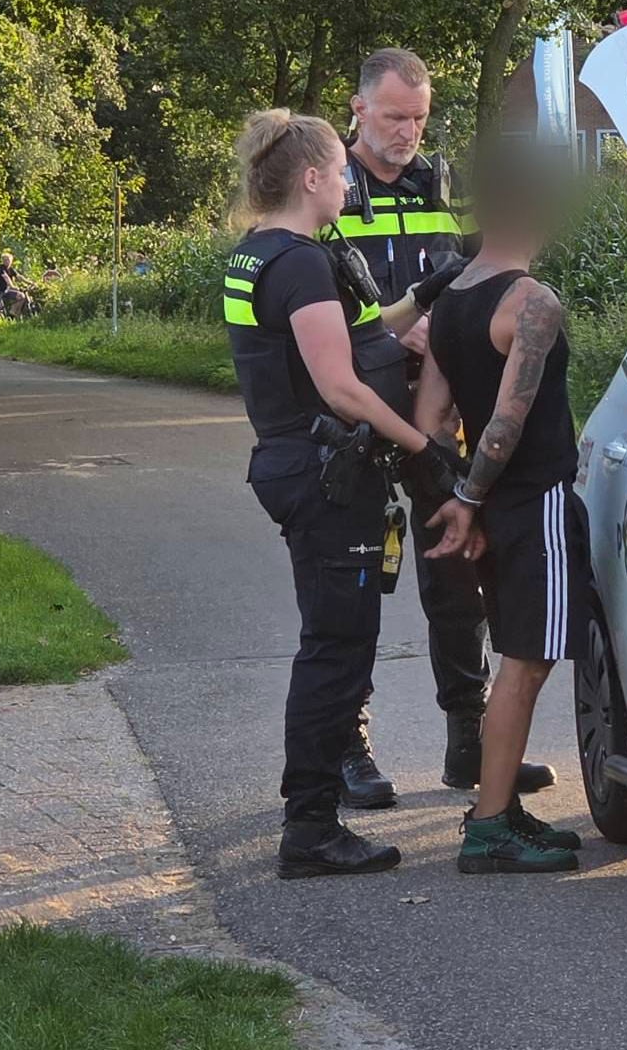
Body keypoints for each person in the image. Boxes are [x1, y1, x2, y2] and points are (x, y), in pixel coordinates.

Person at [224, 107, 465, 877]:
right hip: (326, 473)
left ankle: (313, 817)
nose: (346, 186)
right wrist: (423, 448)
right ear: (310, 179)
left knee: (332, 642)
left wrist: (427, 291)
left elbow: (361, 334)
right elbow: (340, 385)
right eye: (338, 174)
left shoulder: (259, 254)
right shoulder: (299, 263)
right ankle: (311, 827)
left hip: (295, 465)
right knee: (336, 650)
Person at [325, 46, 552, 810]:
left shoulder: (442, 186)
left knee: (458, 576)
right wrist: (392, 330)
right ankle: (347, 745)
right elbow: (312, 302)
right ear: (358, 109)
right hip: (356, 407)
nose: (408, 132)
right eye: (394, 117)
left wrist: (454, 329)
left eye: (418, 119)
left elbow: (482, 274)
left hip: (439, 407)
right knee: (354, 579)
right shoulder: (328, 186)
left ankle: (469, 740)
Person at [415, 147, 588, 873]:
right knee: (526, 663)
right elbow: (504, 425)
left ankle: (499, 804)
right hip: (535, 500)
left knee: (517, 658)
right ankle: (489, 828)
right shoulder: (531, 302)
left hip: (491, 508)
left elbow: (431, 420)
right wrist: (470, 500)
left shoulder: (451, 300)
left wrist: (463, 499)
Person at [0, 252, 27, 317]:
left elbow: (19, 277)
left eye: (8, 260)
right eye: (4, 260)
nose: (6, 261)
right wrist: (12, 286)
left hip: (6, 291)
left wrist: (30, 282)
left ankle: (12, 313)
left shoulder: (11, 269)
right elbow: (6, 277)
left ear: (11, 261)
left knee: (21, 296)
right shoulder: (0, 268)